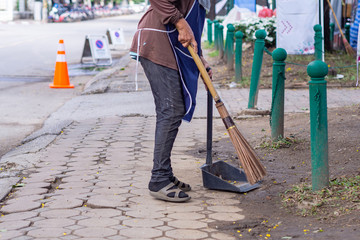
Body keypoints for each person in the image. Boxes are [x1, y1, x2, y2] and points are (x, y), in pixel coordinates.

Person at [130, 0, 212, 202]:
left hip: (170, 43)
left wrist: (199, 56)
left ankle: (164, 173)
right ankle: (158, 179)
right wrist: (180, 22)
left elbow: (194, 25)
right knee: (171, 109)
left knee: (174, 109)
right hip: (157, 40)